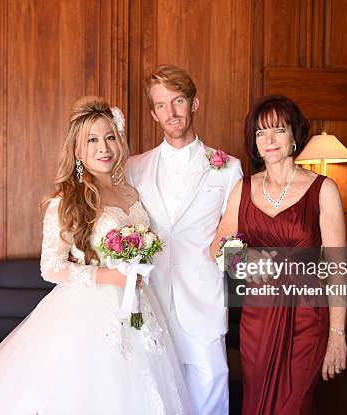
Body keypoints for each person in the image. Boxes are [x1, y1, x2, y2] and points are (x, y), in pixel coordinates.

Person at [0, 96, 192, 414]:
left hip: (138, 305)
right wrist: (109, 276)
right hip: (90, 309)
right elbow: (50, 267)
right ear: (77, 150)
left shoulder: (131, 193)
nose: (103, 148)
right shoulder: (67, 200)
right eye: (91, 140)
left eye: (109, 137)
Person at [211, 95, 347, 414]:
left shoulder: (323, 190)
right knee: (256, 402)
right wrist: (243, 257)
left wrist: (337, 334)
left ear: (294, 136)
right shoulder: (242, 188)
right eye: (260, 133)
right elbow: (216, 247)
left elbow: (338, 270)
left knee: (295, 405)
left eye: (278, 130)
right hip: (258, 318)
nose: (269, 140)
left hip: (307, 318)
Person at [126, 64, 243, 415]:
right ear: (153, 113)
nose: (171, 112)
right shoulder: (134, 167)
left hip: (203, 300)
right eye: (162, 105)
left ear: (194, 104)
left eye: (178, 101)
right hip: (150, 300)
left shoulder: (227, 168)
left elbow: (233, 236)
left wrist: (239, 261)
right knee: (154, 395)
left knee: (210, 391)